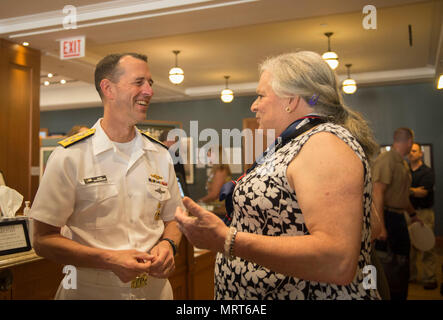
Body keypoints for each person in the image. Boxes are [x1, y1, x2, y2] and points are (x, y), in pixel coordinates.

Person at [175, 51, 381, 300]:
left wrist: (227, 240)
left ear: (291, 99)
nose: (254, 105)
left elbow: (337, 260)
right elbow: (369, 224)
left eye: (261, 95)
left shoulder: (323, 143)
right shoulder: (298, 144)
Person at [30, 53, 183, 300]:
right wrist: (109, 259)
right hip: (90, 291)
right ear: (108, 88)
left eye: (150, 83)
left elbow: (174, 219)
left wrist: (168, 244)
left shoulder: (160, 155)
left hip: (155, 291)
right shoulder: (70, 155)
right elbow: (42, 239)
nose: (149, 91)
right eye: (139, 82)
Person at [372, 127, 421, 300]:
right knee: (388, 265)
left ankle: (399, 295)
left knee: (402, 263)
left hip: (399, 217)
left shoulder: (402, 162)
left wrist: (413, 214)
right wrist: (381, 227)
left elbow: (401, 195)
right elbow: (377, 192)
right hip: (388, 217)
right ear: (409, 142)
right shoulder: (387, 159)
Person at [408, 142, 437, 290]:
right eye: (410, 151)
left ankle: (430, 278)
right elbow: (412, 192)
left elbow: (423, 193)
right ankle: (411, 276)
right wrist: (413, 190)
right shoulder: (404, 171)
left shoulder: (427, 172)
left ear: (420, 154)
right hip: (407, 213)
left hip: (424, 213)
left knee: (427, 246)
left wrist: (407, 189)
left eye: (414, 151)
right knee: (409, 248)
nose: (411, 153)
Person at [159, 129, 189, 197]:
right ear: (169, 141)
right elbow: (181, 178)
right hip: (173, 191)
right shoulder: (175, 155)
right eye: (174, 141)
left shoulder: (155, 154)